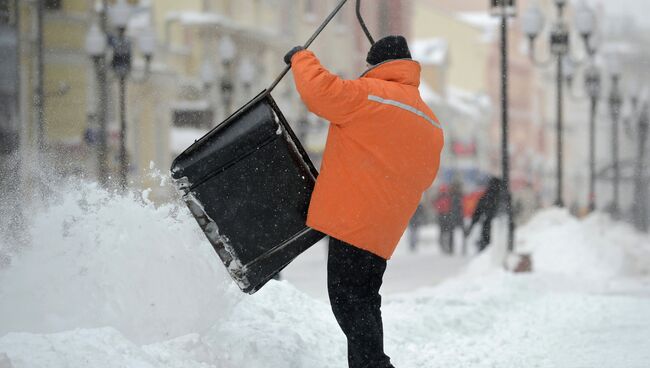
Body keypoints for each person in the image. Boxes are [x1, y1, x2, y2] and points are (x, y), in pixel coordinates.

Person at [284, 35, 444, 368]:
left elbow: (319, 91)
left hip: (353, 220)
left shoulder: (368, 95)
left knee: (347, 300)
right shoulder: (429, 121)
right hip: (384, 231)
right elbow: (426, 176)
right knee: (365, 299)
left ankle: (375, 365)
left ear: (376, 66)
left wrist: (301, 57)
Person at [465, 177, 504, 252]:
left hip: (487, 225)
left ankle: (485, 257)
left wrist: (472, 225)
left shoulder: (486, 195)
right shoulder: (503, 196)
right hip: (500, 226)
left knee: (486, 248)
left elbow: (478, 212)